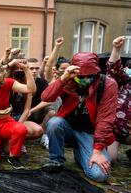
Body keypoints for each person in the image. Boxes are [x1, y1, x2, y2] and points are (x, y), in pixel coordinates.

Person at [41, 52, 118, 183]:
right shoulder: (68, 79)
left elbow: (105, 119)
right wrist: (63, 78)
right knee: (54, 123)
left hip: (90, 133)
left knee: (99, 175)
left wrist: (98, 150)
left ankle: (80, 151)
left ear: (97, 72)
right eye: (81, 76)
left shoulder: (108, 84)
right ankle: (56, 160)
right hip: (68, 127)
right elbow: (46, 97)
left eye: (90, 75)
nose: (85, 79)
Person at [106, 37, 131, 163]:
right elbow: (113, 69)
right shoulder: (126, 81)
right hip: (114, 130)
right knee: (110, 159)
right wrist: (116, 48)